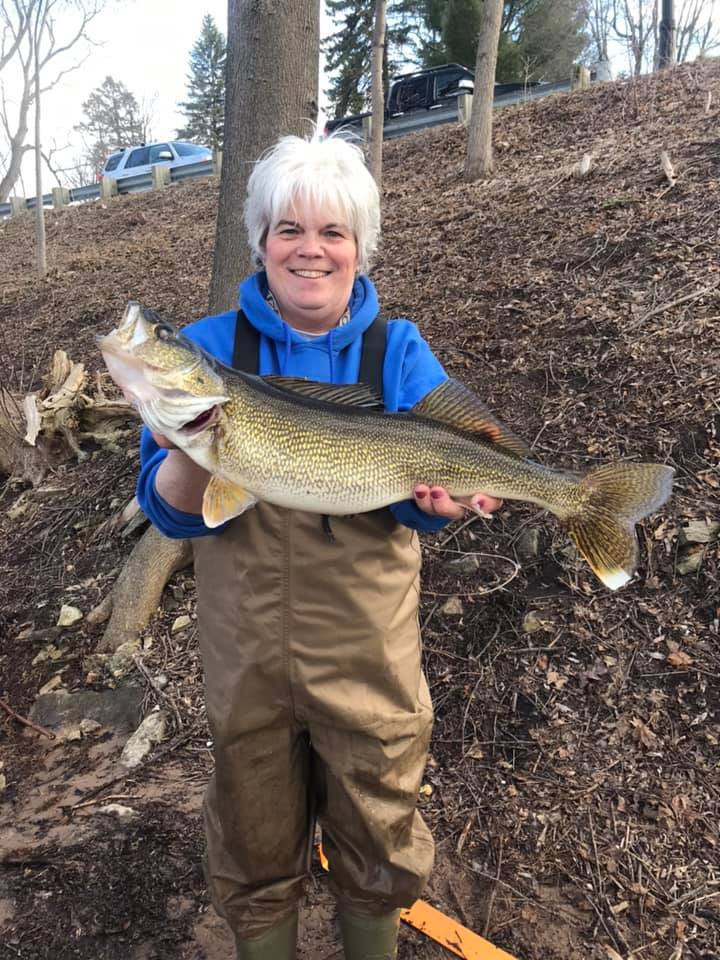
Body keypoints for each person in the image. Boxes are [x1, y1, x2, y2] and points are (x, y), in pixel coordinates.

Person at [137, 134, 501, 960]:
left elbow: (438, 491)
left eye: (332, 232)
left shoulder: (396, 351)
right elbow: (169, 515)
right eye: (289, 229)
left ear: (360, 247)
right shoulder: (202, 351)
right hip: (247, 658)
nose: (311, 250)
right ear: (261, 241)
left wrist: (445, 507)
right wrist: (200, 446)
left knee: (379, 828)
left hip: (367, 659)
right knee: (252, 837)